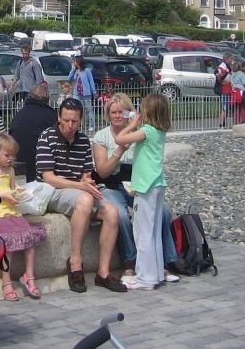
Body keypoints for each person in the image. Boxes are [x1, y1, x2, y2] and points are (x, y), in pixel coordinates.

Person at [36, 98, 126, 294]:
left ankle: (103, 272)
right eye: (66, 120)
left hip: (77, 189)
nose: (70, 125)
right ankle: (75, 261)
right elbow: (48, 178)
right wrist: (80, 185)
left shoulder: (84, 140)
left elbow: (86, 172)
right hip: (53, 190)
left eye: (74, 121)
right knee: (85, 200)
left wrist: (87, 181)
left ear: (80, 120)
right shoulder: (47, 137)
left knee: (112, 211)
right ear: (59, 117)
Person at [92, 93, 181, 282]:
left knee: (164, 214)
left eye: (121, 112)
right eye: (113, 112)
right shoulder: (102, 136)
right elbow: (103, 171)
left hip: (135, 183)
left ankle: (166, 261)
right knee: (121, 215)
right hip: (112, 184)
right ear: (108, 114)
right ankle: (131, 261)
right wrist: (119, 152)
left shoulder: (141, 132)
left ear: (130, 113)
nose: (118, 116)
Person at [0, 133, 47, 301]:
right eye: (7, 155)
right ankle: (6, 280)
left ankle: (29, 274)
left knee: (30, 236)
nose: (10, 159)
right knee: (7, 240)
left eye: (12, 156)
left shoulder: (10, 170)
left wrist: (20, 193)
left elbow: (13, 189)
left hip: (10, 211)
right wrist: (3, 195)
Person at [114, 93, 171, 290]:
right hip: (157, 184)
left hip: (146, 186)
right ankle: (156, 272)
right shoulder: (158, 131)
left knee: (143, 232)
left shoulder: (146, 131)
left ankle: (146, 277)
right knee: (153, 231)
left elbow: (120, 139)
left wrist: (131, 124)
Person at [8, 82, 57, 182]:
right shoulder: (51, 115)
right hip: (41, 162)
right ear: (47, 99)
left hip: (18, 160)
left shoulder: (20, 114)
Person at [68, 57, 97, 132]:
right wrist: (73, 69)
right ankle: (78, 124)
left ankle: (91, 125)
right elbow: (69, 78)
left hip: (86, 93)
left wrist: (94, 92)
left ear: (78, 62)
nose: (74, 63)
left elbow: (91, 81)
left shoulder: (86, 71)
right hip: (76, 93)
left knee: (89, 109)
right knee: (76, 109)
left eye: (75, 61)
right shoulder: (75, 71)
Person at [215, 53, 233, 127]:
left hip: (228, 89)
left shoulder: (228, 66)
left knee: (226, 107)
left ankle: (223, 123)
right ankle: (221, 123)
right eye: (231, 58)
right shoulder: (222, 66)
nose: (232, 60)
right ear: (226, 59)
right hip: (224, 90)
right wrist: (221, 82)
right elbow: (218, 74)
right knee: (224, 107)